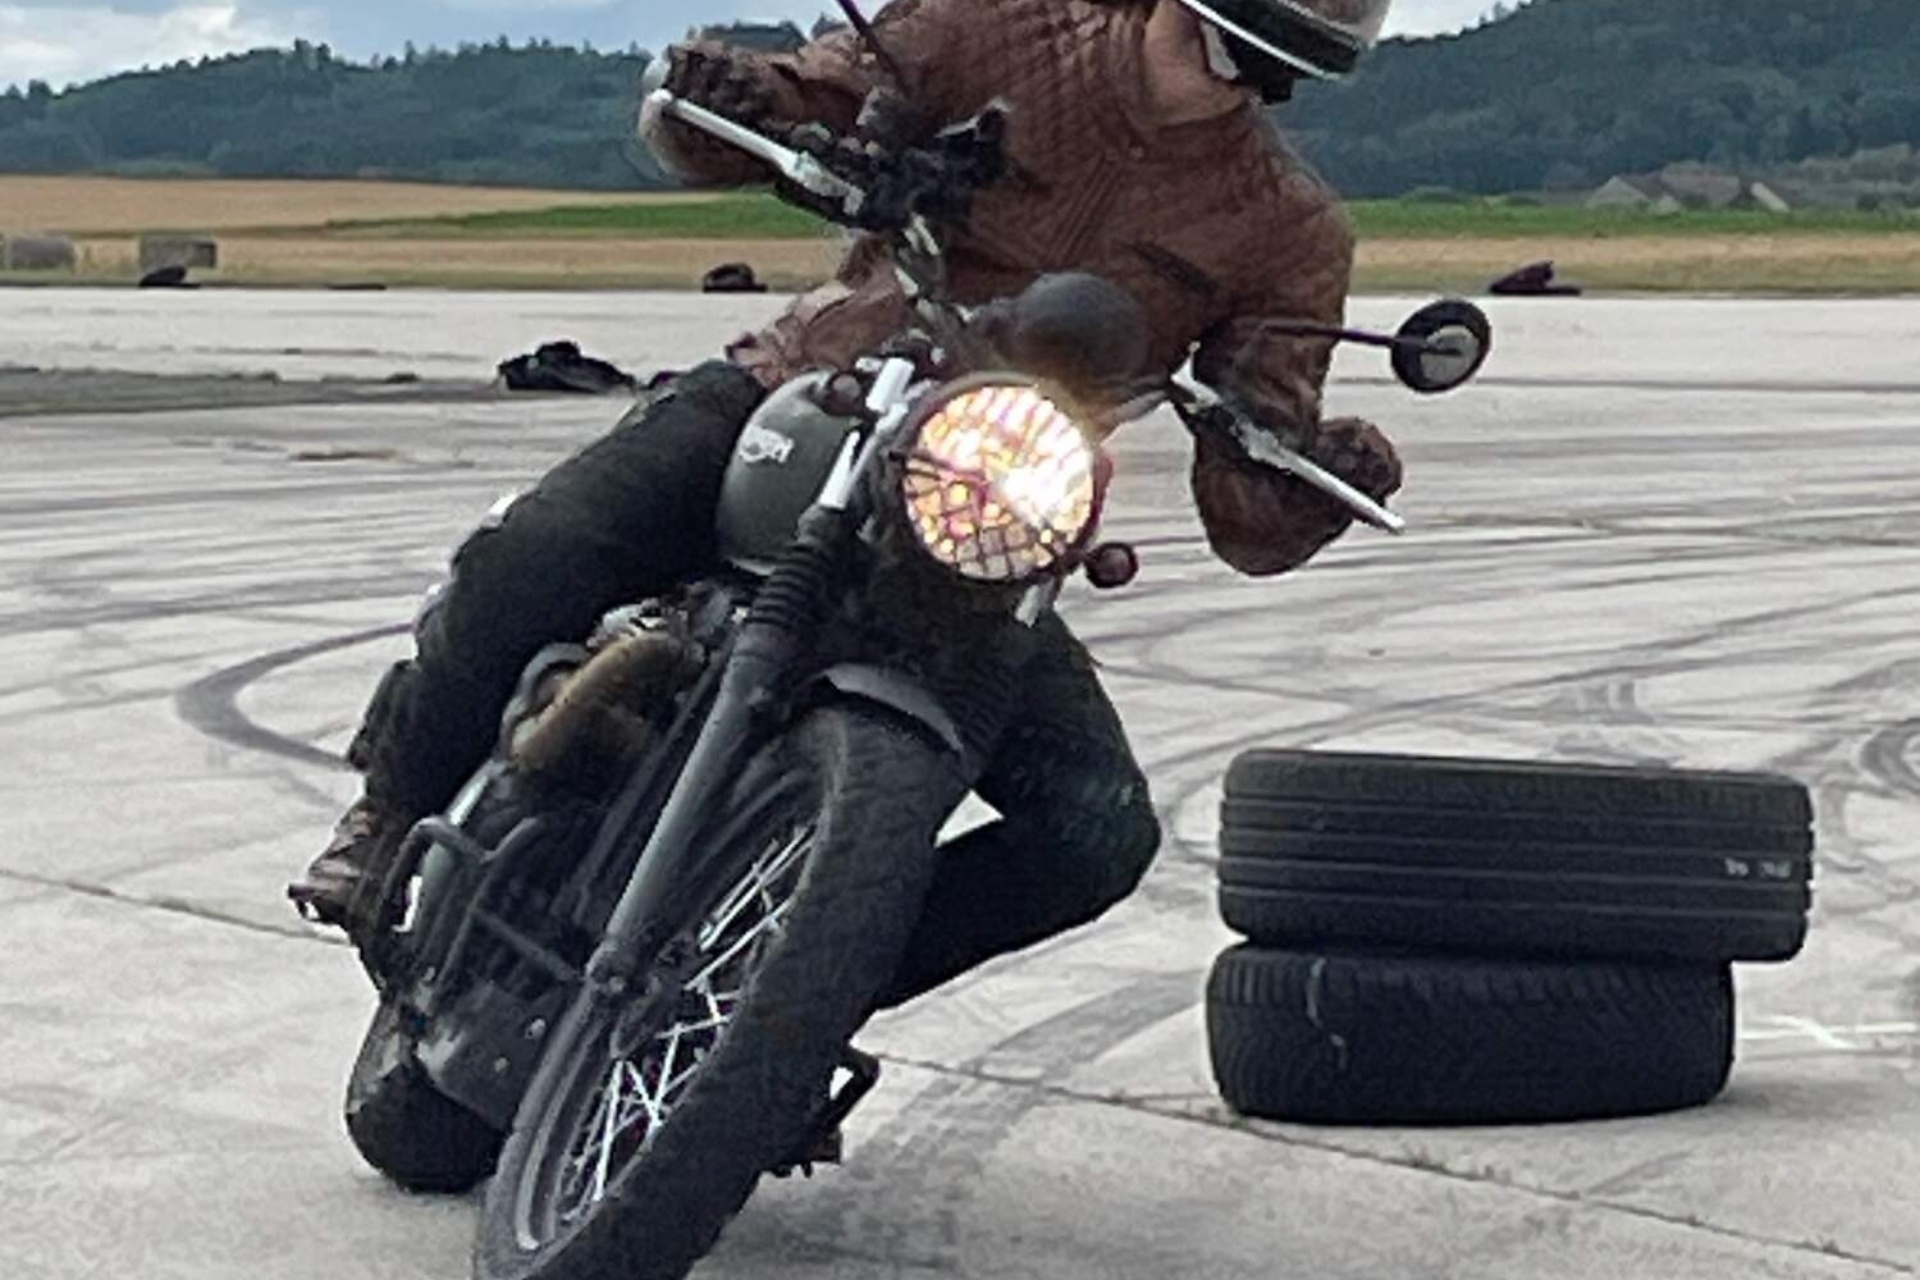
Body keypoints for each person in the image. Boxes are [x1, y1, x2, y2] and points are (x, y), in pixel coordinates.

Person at [289, 0, 1404, 1015]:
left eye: (1277, 58)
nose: (1232, 72)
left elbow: (1249, 493)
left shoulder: (1289, 228)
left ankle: (775, 1014)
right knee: (533, 554)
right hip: (818, 386)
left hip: (984, 499)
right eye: (1226, 35)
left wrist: (1313, 474)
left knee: (1095, 831)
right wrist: (733, 97)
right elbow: (798, 100)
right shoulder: (996, 24)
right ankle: (388, 816)